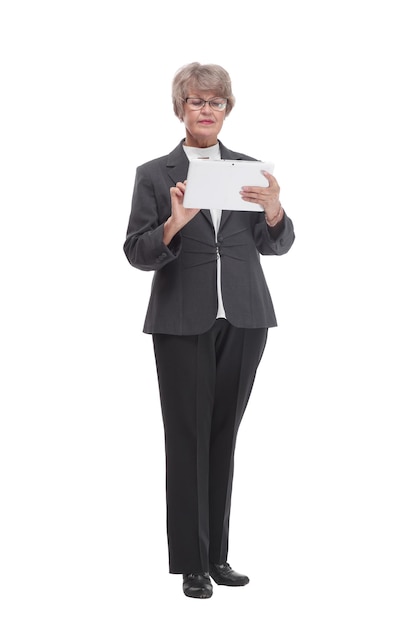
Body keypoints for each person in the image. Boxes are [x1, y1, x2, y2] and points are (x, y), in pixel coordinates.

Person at [123, 62, 295, 599]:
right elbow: (135, 250)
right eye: (197, 101)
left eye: (215, 102)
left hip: (244, 318)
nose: (206, 110)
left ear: (226, 110)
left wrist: (273, 212)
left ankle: (217, 555)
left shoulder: (248, 169)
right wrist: (175, 222)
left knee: (223, 438)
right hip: (181, 321)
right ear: (182, 108)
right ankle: (191, 564)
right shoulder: (155, 173)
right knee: (188, 440)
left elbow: (277, 245)